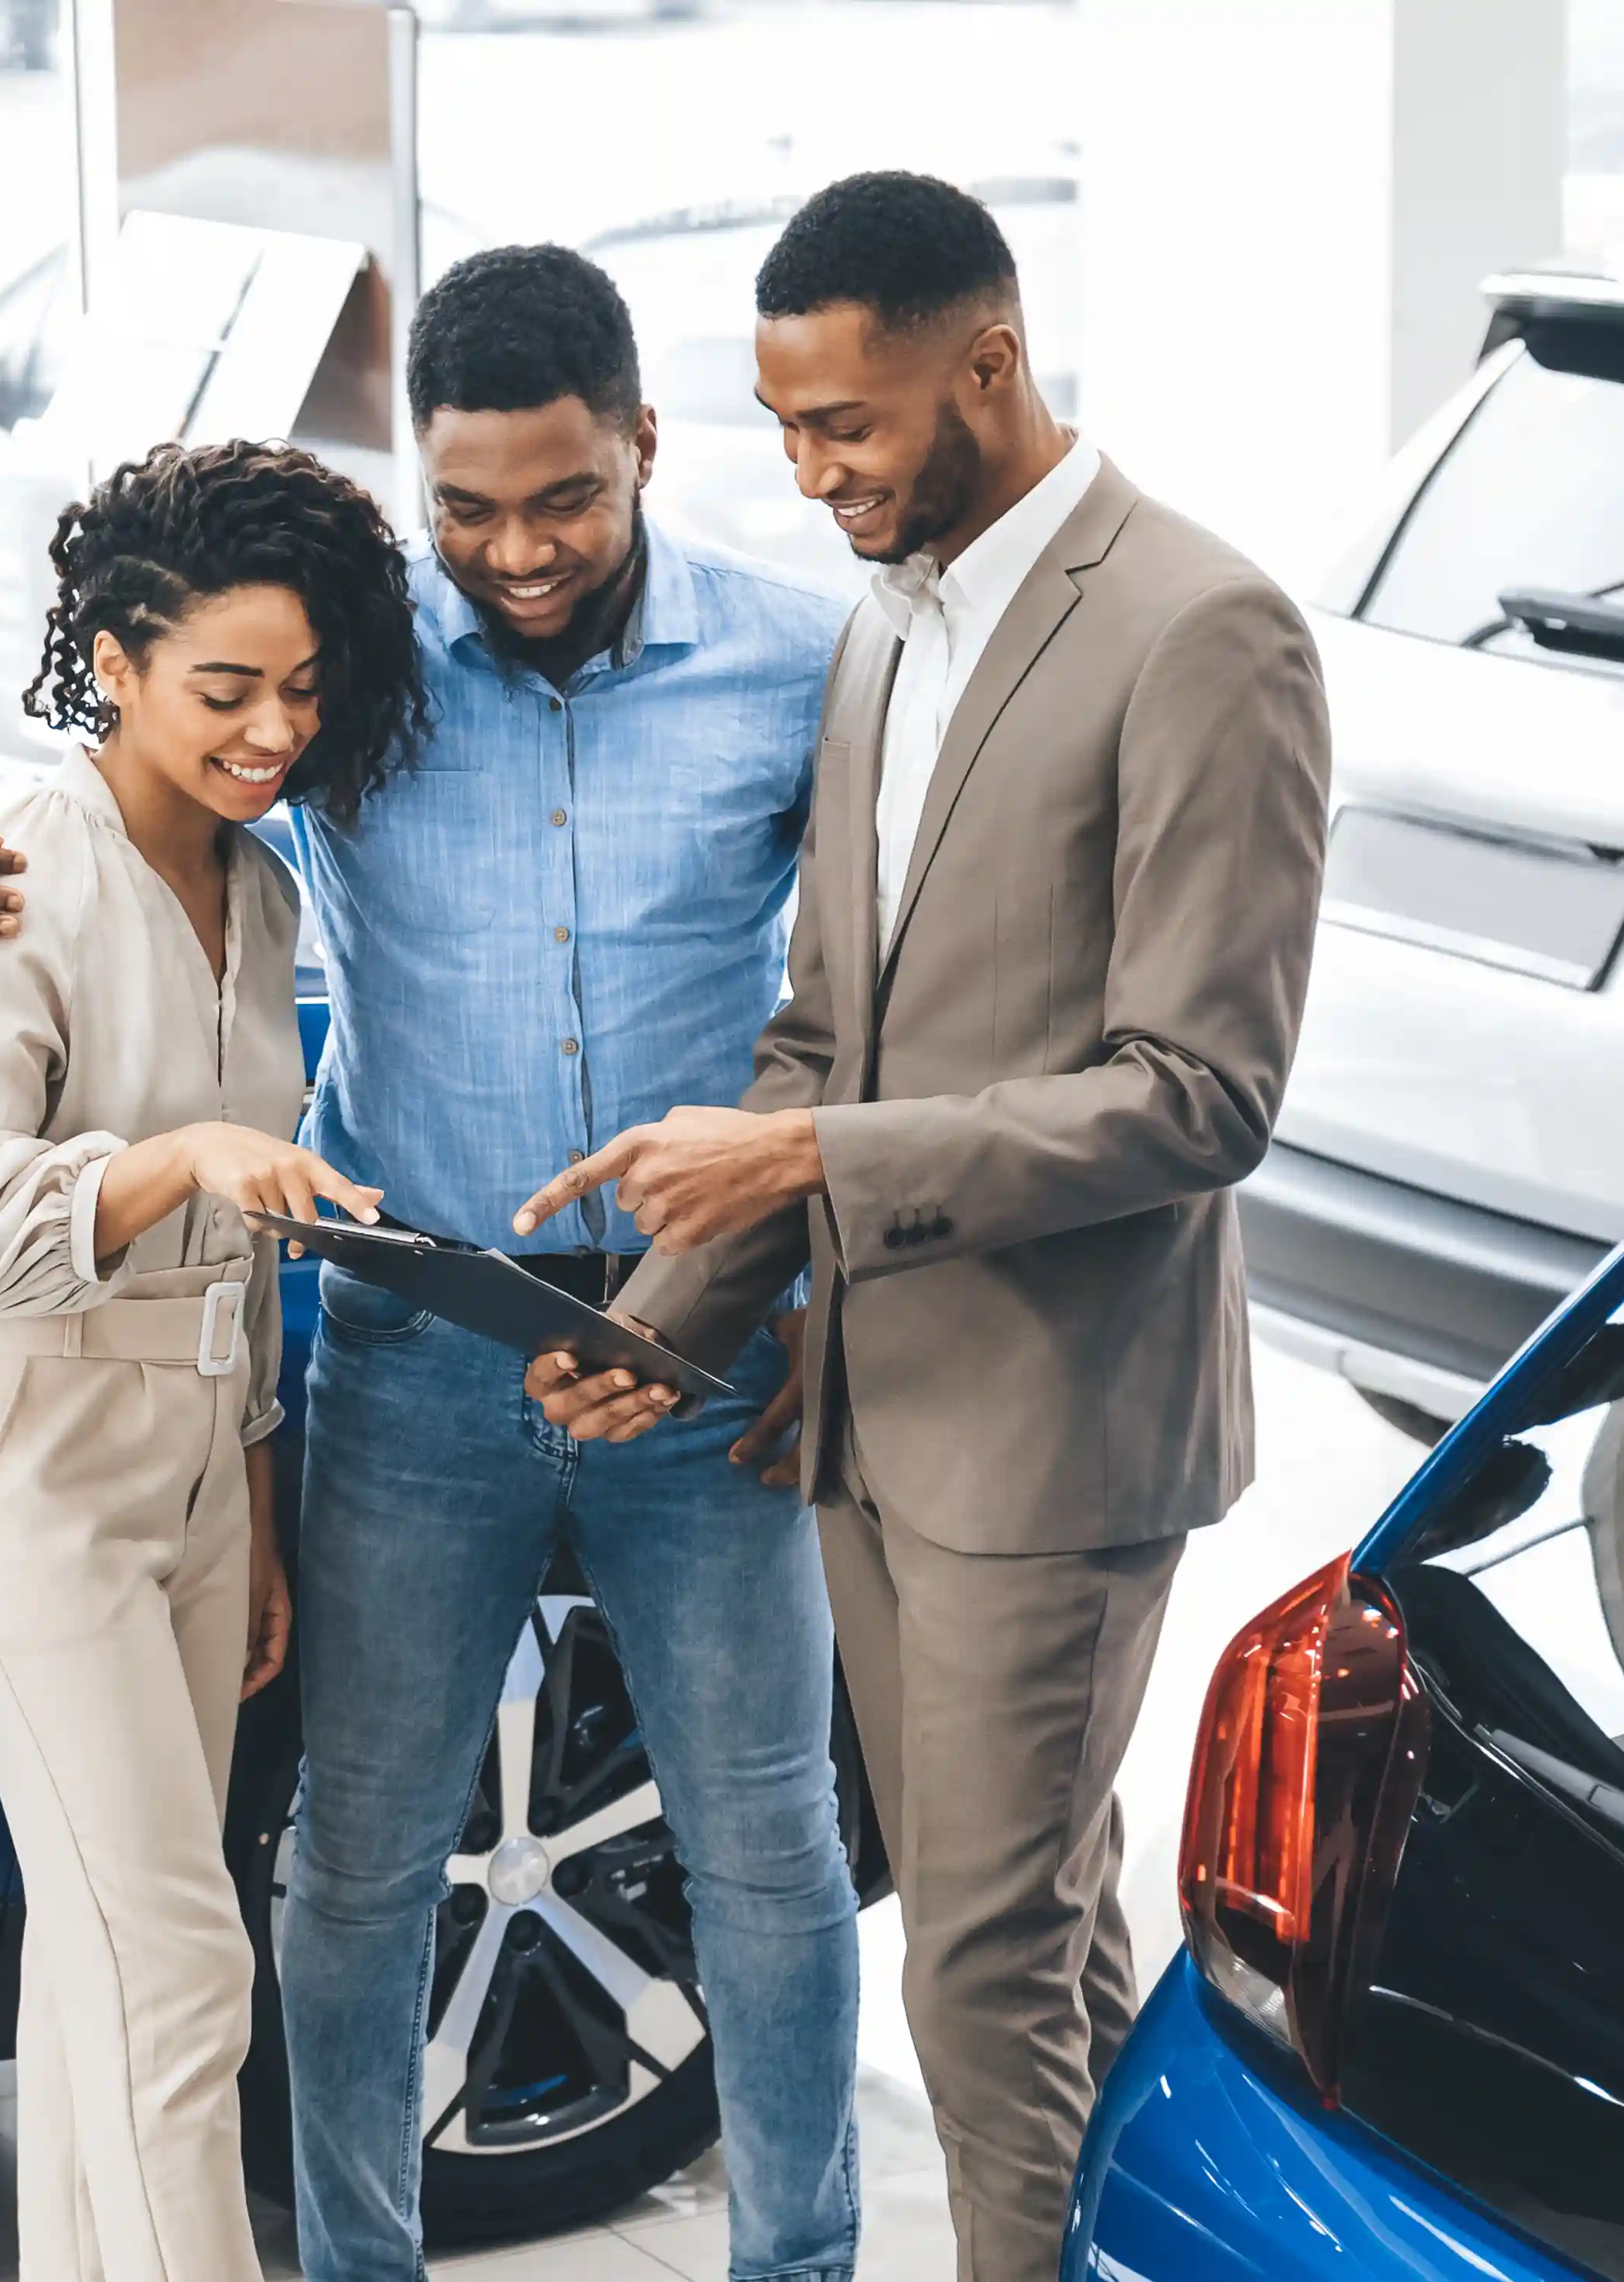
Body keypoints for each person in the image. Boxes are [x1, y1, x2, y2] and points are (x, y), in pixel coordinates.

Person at [0, 248, 862, 2282]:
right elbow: (110, 755)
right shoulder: (345, 659)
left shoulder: (801, 658)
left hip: (701, 1342)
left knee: (770, 1851)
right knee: (348, 1862)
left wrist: (792, 1289)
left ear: (643, 450)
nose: (514, 550)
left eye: (563, 499)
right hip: (420, 1343)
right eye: (467, 508)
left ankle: (803, 2263)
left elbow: (862, 1001)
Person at [520, 173, 1332, 2282]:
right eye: (783, 430)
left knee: (977, 1970)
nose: (812, 478)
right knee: (1042, 1932)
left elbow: (1200, 1094)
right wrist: (667, 1316)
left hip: (1051, 1433)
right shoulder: (891, 626)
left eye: (848, 426)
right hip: (861, 1414)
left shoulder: (1201, 627)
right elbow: (823, 1033)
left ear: (988, 361)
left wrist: (814, 1172)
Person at [0, 437, 415, 2282]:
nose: (270, 727)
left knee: (108, 1948)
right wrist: (174, 1159)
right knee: (180, 1954)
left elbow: (247, 1262)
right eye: (221, 688)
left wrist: (251, 1505)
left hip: (196, 1470)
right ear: (108, 657)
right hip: (23, 1463)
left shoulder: (264, 893)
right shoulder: (1, 877)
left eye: (300, 685)